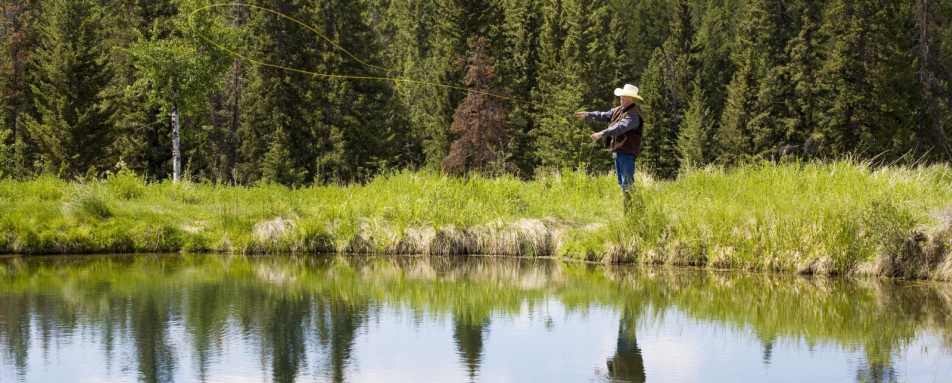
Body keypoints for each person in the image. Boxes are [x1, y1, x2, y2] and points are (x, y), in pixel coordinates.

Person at [574, 84, 644, 210]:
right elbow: (604, 115)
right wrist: (588, 114)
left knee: (627, 183)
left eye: (624, 97)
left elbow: (620, 127)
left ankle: (633, 211)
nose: (621, 98)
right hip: (620, 151)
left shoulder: (633, 115)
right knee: (622, 183)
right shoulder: (619, 109)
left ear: (630, 98)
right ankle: (632, 210)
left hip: (627, 153)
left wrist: (602, 133)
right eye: (621, 96)